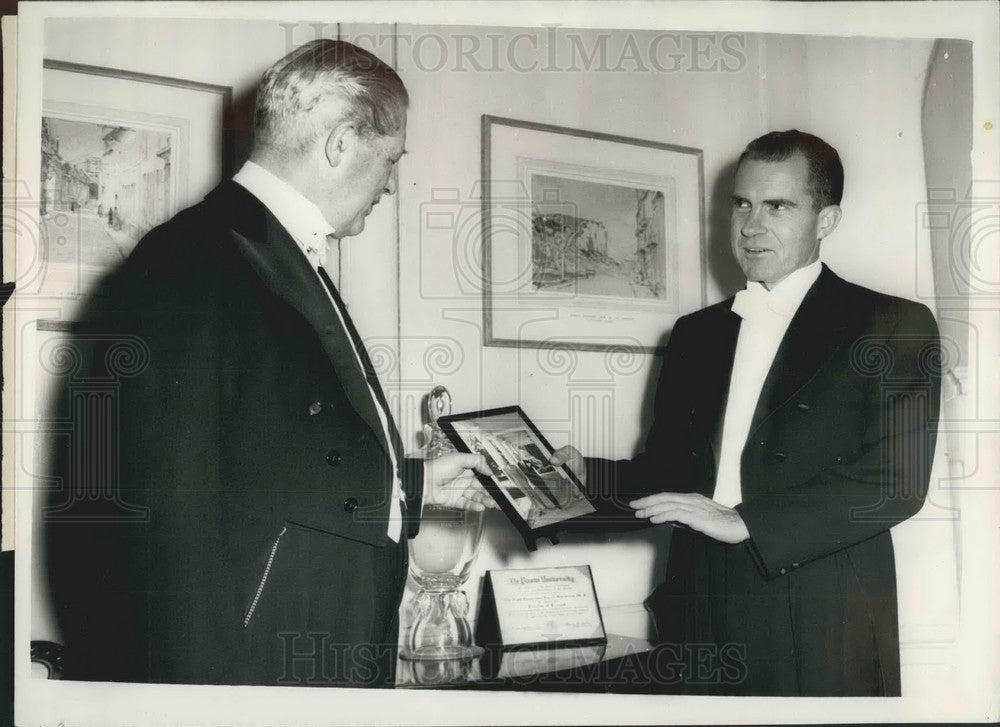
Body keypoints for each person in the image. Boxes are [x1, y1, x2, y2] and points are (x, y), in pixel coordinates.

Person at [43, 39, 491, 688]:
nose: (391, 184)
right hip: (254, 676)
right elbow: (159, 525)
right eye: (390, 160)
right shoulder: (192, 261)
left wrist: (410, 479)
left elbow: (272, 460)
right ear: (341, 144)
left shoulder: (262, 253)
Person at [553, 130, 941, 696]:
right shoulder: (695, 334)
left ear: (826, 220)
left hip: (822, 612)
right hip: (700, 604)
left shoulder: (893, 324)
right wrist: (585, 473)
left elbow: (896, 483)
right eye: (742, 204)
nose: (751, 225)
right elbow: (669, 477)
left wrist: (746, 522)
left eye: (778, 206)